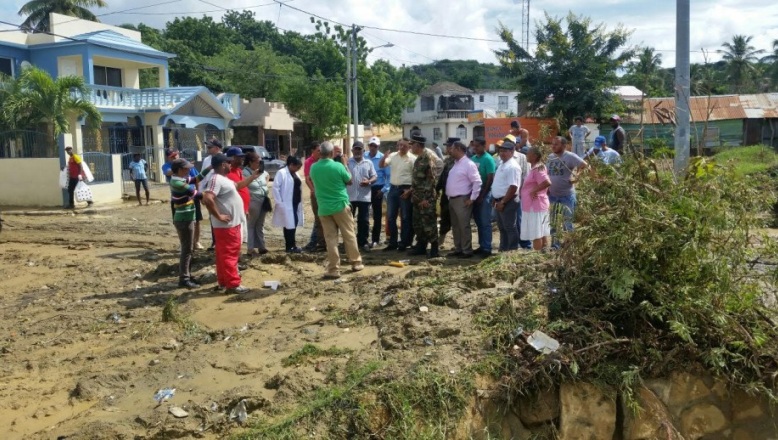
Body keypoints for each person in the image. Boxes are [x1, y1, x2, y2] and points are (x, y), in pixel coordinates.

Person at [201, 153, 262, 294]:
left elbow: (239, 185)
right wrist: (219, 216)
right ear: (223, 165)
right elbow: (208, 198)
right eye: (228, 163)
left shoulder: (223, 179)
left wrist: (253, 176)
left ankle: (224, 282)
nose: (230, 164)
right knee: (230, 254)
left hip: (228, 225)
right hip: (227, 226)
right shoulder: (216, 179)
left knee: (223, 255)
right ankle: (233, 284)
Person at [310, 141, 364, 279]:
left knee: (330, 239)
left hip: (324, 207)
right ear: (331, 153)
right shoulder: (338, 166)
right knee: (349, 234)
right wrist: (345, 164)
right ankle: (356, 262)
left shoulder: (314, 168)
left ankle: (334, 269)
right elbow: (350, 180)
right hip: (340, 205)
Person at [169, 158, 207, 288]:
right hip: (184, 219)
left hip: (187, 218)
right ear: (180, 170)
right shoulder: (177, 182)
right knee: (187, 250)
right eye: (186, 168)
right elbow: (195, 193)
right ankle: (184, 279)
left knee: (189, 249)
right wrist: (210, 195)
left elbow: (196, 179)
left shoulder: (180, 179)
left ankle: (188, 275)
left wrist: (210, 168)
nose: (189, 170)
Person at [547, 136, 587, 248]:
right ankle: (555, 246)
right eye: (553, 144)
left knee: (567, 224)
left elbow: (584, 165)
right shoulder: (550, 157)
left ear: (564, 146)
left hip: (567, 196)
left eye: (556, 144)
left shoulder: (570, 156)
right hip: (553, 196)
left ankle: (570, 247)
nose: (553, 146)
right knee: (553, 223)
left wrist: (577, 177)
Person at [445, 141, 482, 258]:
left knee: (463, 225)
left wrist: (472, 198)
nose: (450, 151)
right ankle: (458, 248)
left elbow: (477, 182)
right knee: (455, 226)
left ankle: (466, 250)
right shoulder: (456, 163)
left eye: (452, 149)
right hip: (452, 199)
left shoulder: (468, 164)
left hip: (462, 199)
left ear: (459, 149)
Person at [379, 138, 416, 251]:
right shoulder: (393, 156)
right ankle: (393, 242)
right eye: (399, 145)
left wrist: (409, 191)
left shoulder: (413, 159)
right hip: (393, 188)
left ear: (409, 147)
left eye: (404, 146)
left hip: (405, 189)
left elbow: (416, 178)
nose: (401, 148)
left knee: (405, 218)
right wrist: (384, 157)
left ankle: (404, 243)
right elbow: (382, 165)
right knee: (390, 217)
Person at [408, 134, 440, 258]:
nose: (411, 147)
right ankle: (421, 246)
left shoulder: (428, 157)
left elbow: (432, 180)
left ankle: (434, 248)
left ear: (417, 145)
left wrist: (426, 199)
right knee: (418, 224)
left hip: (426, 199)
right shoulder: (418, 158)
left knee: (429, 223)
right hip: (417, 198)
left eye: (412, 145)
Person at [491, 141, 522, 251]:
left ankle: (512, 250)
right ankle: (503, 249)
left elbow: (513, 187)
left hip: (508, 201)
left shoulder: (512, 166)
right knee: (502, 227)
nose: (502, 153)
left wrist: (503, 202)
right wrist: (495, 198)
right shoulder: (502, 164)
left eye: (505, 151)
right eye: (500, 151)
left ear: (512, 152)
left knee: (509, 227)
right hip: (499, 200)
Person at [347, 141, 377, 250]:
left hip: (364, 197)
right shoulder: (347, 163)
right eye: (355, 149)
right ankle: (350, 242)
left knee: (364, 220)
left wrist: (368, 181)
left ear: (364, 151)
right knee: (349, 221)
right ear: (352, 150)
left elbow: (374, 176)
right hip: (350, 197)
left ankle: (363, 241)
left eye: (359, 149)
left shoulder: (368, 163)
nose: (357, 151)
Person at [521, 147, 552, 251]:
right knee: (541, 231)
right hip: (535, 204)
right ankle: (544, 252)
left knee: (536, 232)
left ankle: (537, 254)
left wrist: (534, 190)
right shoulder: (535, 168)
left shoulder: (539, 168)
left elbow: (547, 182)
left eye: (528, 154)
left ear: (534, 156)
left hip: (535, 205)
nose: (526, 155)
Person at [272, 156, 305, 253]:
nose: (298, 169)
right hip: (286, 203)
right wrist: (279, 202)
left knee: (293, 223)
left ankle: (292, 245)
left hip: (294, 203)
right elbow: (275, 188)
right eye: (297, 167)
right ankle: (290, 246)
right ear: (291, 165)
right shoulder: (281, 173)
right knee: (289, 224)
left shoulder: (295, 173)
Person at [470, 137, 496, 256]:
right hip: (474, 194)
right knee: (478, 221)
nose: (475, 148)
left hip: (485, 193)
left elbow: (490, 178)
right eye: (473, 146)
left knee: (485, 221)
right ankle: (481, 245)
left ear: (484, 146)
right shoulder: (473, 158)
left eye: (477, 146)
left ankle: (487, 247)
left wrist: (482, 195)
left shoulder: (488, 159)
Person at [243, 151, 270, 256]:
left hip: (263, 200)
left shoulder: (261, 171)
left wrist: (264, 185)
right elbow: (244, 184)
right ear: (250, 162)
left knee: (260, 224)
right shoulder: (245, 172)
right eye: (257, 162)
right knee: (251, 224)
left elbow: (267, 176)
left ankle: (261, 246)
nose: (259, 164)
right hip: (253, 200)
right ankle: (250, 248)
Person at [303, 142, 327, 252]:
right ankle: (321, 243)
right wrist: (314, 190)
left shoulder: (324, 161)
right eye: (318, 150)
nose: (320, 152)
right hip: (316, 195)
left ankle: (323, 241)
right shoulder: (309, 162)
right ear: (312, 151)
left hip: (326, 194)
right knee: (318, 219)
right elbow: (308, 179)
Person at [435, 137, 459, 247]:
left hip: (458, 195)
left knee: (457, 220)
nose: (448, 149)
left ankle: (458, 243)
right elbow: (442, 177)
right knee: (444, 218)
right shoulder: (448, 160)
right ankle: (441, 240)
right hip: (446, 194)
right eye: (448, 147)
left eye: (450, 147)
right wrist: (437, 189)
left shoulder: (462, 160)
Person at [366, 137, 387, 248]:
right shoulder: (364, 156)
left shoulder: (382, 158)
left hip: (377, 189)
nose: (373, 148)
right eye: (371, 145)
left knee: (377, 215)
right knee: (364, 215)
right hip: (365, 188)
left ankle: (375, 239)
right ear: (369, 146)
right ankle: (363, 238)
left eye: (375, 146)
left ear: (378, 147)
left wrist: (383, 190)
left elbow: (388, 176)